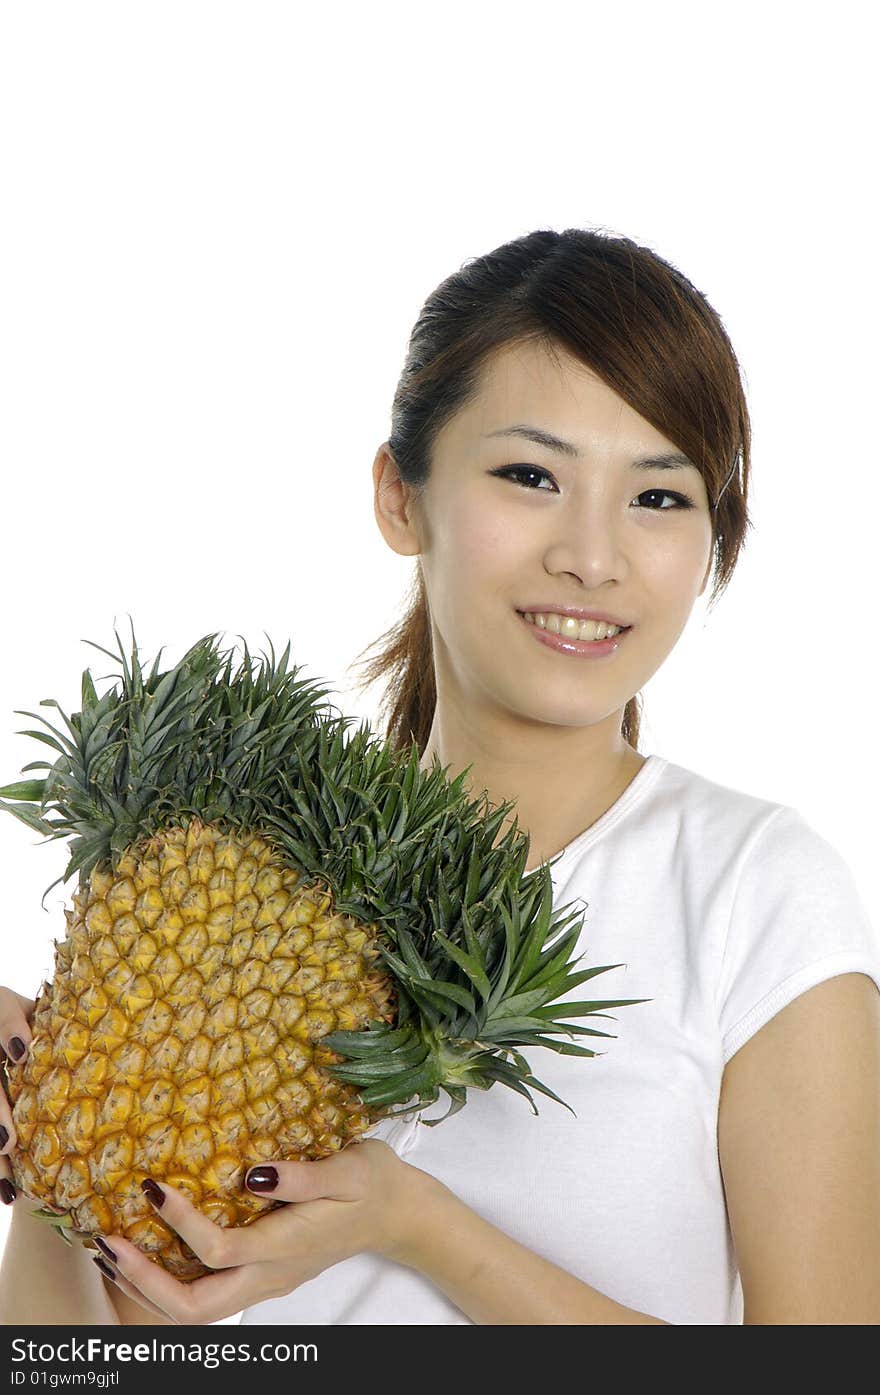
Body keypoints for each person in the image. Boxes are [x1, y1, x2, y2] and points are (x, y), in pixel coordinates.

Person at [2, 227, 879, 1326]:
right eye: (529, 475)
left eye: (659, 497)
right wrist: (53, 1129)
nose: (593, 555)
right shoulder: (224, 871)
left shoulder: (755, 892)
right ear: (399, 497)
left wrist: (420, 1227)